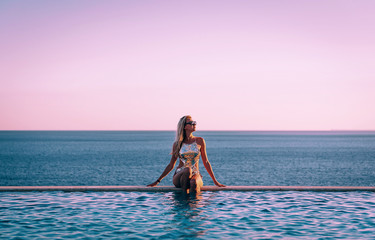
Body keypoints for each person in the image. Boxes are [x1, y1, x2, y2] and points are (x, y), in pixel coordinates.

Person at [147, 115, 225, 193]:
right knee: (187, 170)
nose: (194, 124)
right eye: (191, 123)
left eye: (194, 122)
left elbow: (206, 162)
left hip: (195, 173)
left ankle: (194, 203)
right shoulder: (177, 144)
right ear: (184, 127)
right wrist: (157, 181)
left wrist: (215, 181)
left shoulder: (200, 141)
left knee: (193, 182)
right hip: (180, 175)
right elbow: (171, 165)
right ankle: (184, 201)